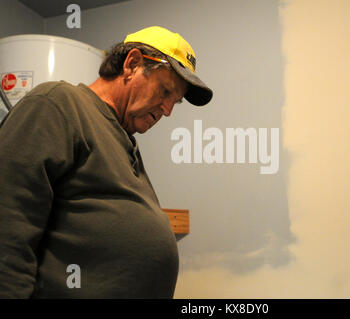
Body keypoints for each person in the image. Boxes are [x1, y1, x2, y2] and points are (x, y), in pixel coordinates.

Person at [0, 26, 212, 298]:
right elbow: (8, 228)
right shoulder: (58, 104)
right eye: (165, 91)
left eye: (176, 101)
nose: (168, 110)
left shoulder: (125, 141)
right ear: (132, 64)